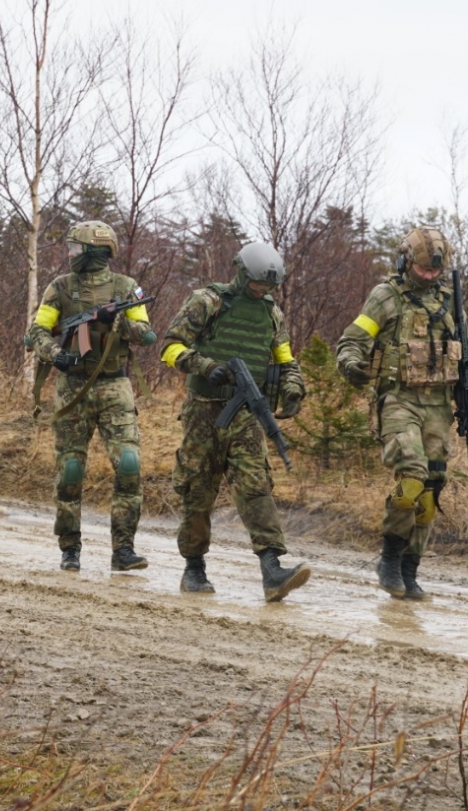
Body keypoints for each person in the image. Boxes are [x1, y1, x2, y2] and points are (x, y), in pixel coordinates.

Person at [336, 227, 468, 601]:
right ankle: (389, 559)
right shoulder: (385, 298)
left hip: (438, 404)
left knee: (431, 490)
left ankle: (410, 568)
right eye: (422, 270)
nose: (429, 276)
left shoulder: (450, 301)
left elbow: (465, 351)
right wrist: (352, 365)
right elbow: (351, 342)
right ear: (406, 261)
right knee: (411, 480)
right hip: (398, 400)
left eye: (435, 271)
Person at [160, 242, 311, 602]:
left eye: (268, 287)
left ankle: (272, 569)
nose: (262, 291)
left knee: (255, 484)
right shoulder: (208, 301)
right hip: (203, 412)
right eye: (257, 284)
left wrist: (293, 389)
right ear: (242, 273)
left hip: (246, 414)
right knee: (198, 488)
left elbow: (286, 359)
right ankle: (194, 568)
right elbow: (169, 347)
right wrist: (206, 367)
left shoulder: (271, 313)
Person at [25, 220, 159, 572]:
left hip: (115, 385)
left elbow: (146, 335)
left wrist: (118, 321)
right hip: (72, 386)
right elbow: (37, 331)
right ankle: (70, 548)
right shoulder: (61, 287)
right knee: (70, 471)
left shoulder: (127, 287)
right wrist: (56, 355)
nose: (70, 255)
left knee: (129, 465)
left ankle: (124, 550)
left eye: (74, 249)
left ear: (92, 252)